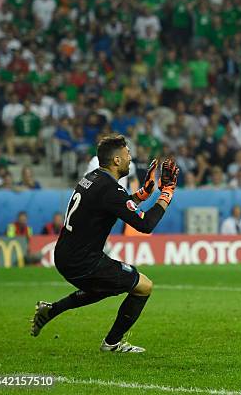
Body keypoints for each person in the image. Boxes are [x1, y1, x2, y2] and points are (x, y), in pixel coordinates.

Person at [31, 135, 179, 353]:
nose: (130, 158)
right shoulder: (110, 189)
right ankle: (112, 343)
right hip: (83, 260)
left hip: (66, 254)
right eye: (127, 154)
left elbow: (115, 206)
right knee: (143, 286)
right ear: (116, 160)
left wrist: (144, 194)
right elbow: (145, 224)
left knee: (107, 286)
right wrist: (166, 193)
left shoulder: (92, 178)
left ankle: (51, 311)